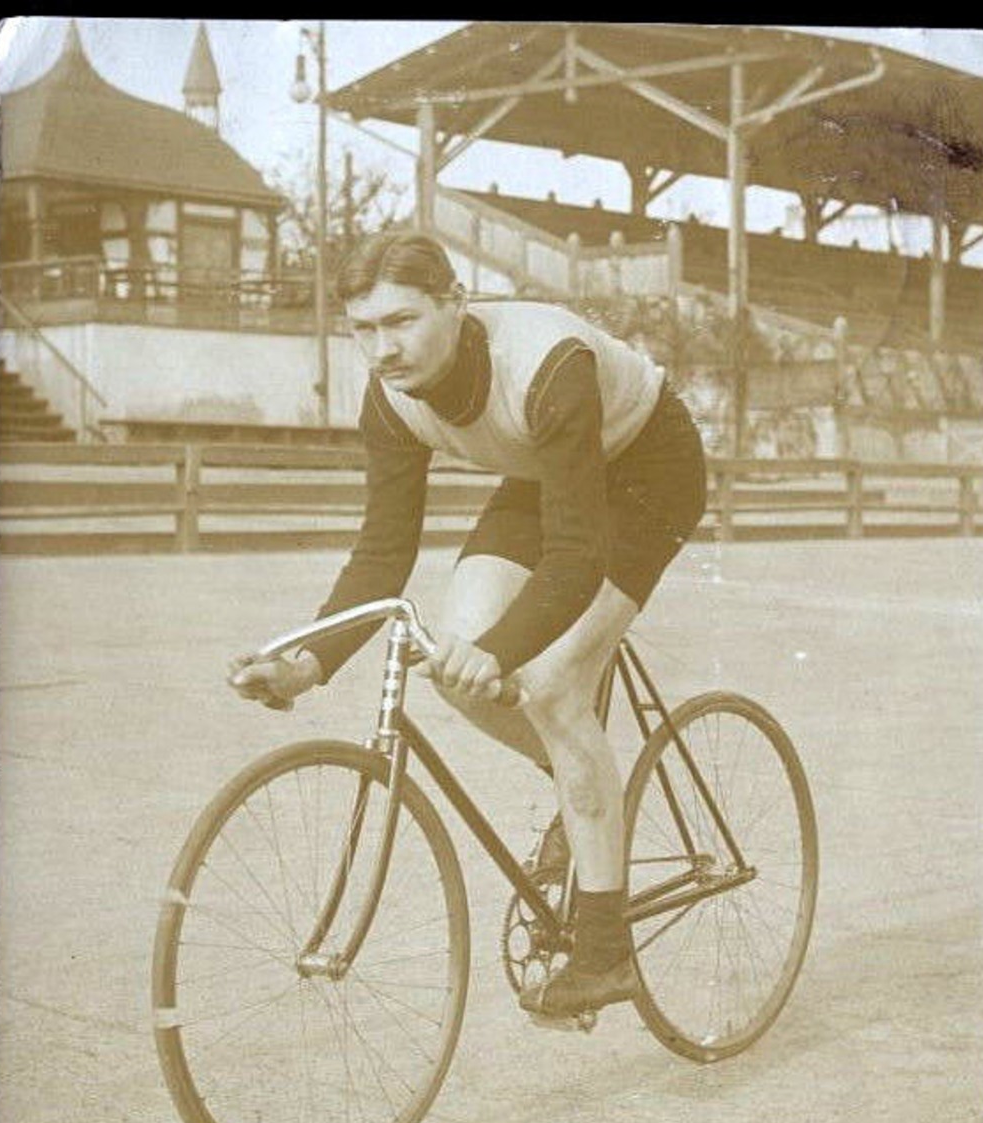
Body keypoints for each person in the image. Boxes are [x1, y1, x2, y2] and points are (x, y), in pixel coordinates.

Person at [230, 230, 707, 1019]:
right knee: (453, 656)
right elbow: (382, 556)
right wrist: (305, 664)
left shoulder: (549, 363)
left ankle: (603, 954)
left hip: (648, 470)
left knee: (548, 687)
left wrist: (505, 653)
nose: (383, 348)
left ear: (456, 302)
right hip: (547, 470)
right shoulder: (389, 397)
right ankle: (582, 782)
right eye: (363, 329)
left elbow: (576, 556)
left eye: (402, 321)